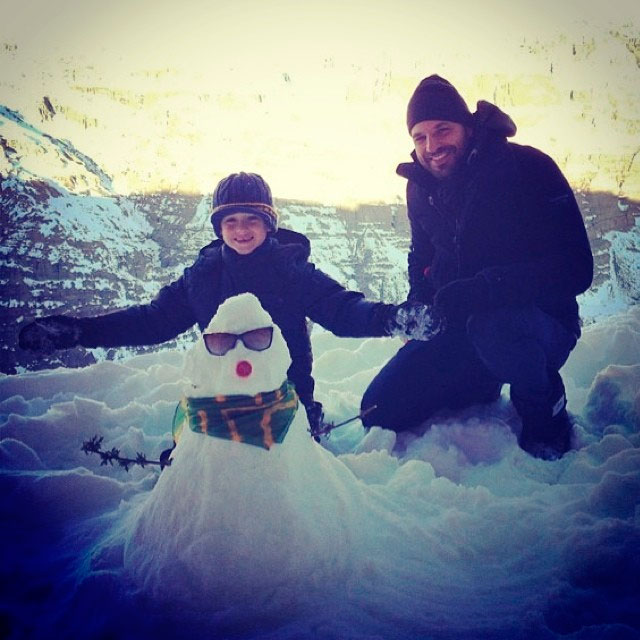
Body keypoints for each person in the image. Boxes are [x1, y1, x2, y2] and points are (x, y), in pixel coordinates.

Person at [18, 172, 438, 434]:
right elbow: (152, 322)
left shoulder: (289, 271)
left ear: (268, 225)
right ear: (219, 226)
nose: (241, 230)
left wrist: (396, 319)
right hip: (216, 402)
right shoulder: (201, 277)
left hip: (284, 402)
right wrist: (78, 330)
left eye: (252, 220)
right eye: (230, 221)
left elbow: (341, 310)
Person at [360, 75, 594, 460]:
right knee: (379, 410)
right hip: (463, 326)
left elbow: (575, 268)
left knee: (494, 326)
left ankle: (544, 407)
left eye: (442, 130)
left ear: (467, 127)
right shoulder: (421, 187)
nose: (432, 147)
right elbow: (422, 257)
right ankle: (479, 378)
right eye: (420, 137)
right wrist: (420, 306)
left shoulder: (529, 168)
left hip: (540, 323)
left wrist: (488, 288)